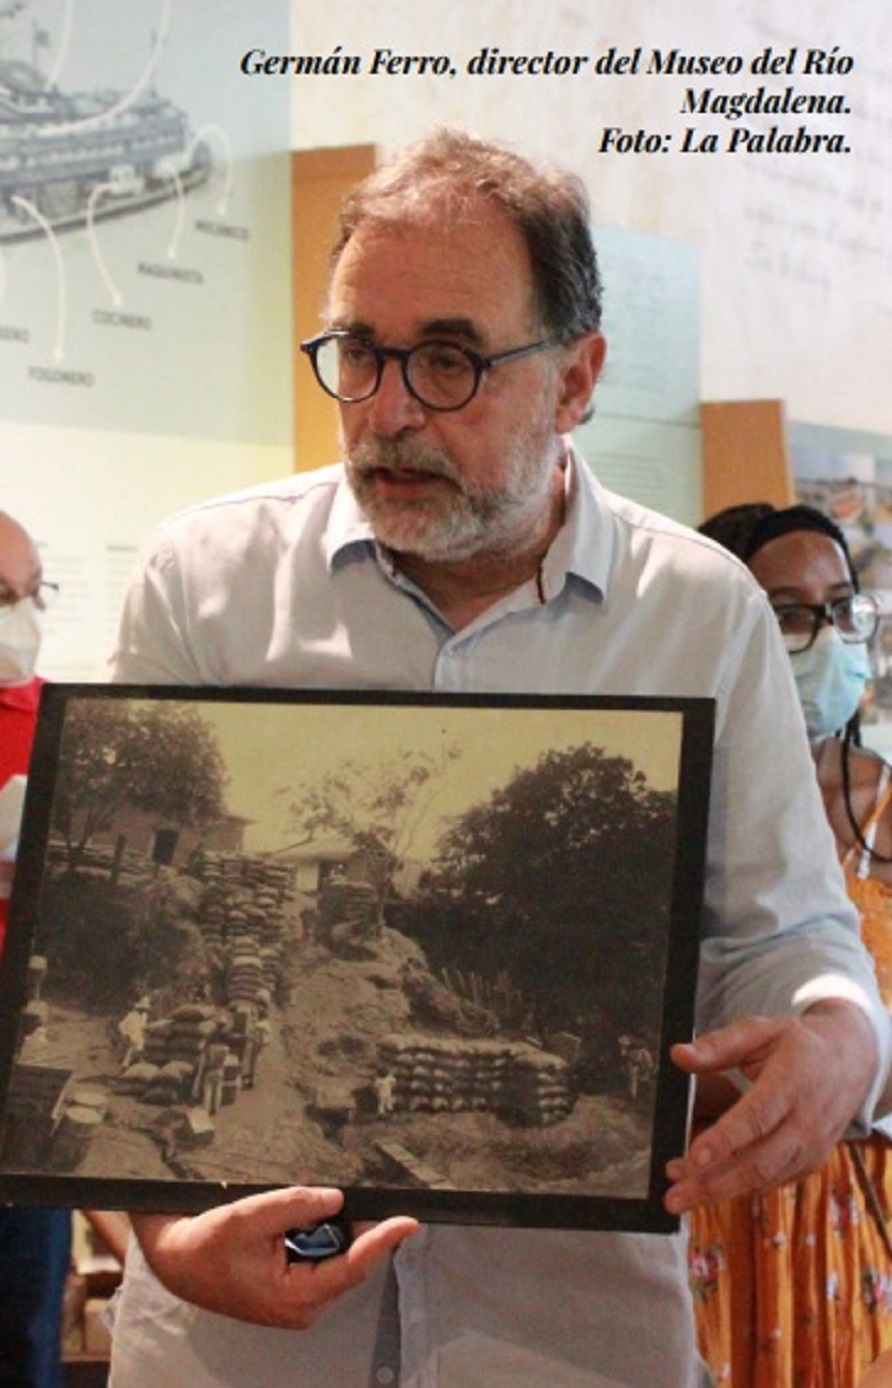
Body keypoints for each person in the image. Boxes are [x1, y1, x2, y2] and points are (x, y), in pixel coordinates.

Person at [105, 129, 890, 1387]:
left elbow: (786, 932)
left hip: (564, 1339)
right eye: (359, 352)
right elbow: (126, 938)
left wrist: (840, 1033)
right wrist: (165, 1232)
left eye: (452, 359)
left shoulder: (697, 613)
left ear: (577, 380)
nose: (391, 409)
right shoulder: (208, 584)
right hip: (236, 1348)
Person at [691, 502, 892, 1385]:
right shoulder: (681, 793)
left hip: (855, 1206)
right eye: (789, 613)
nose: (825, 637)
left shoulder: (884, 802)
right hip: (709, 1194)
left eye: (841, 608)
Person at [0, 510, 72, 1388]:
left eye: (29, 595)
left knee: (22, 1326)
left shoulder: (54, 715)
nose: (19, 617)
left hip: (19, 1060)